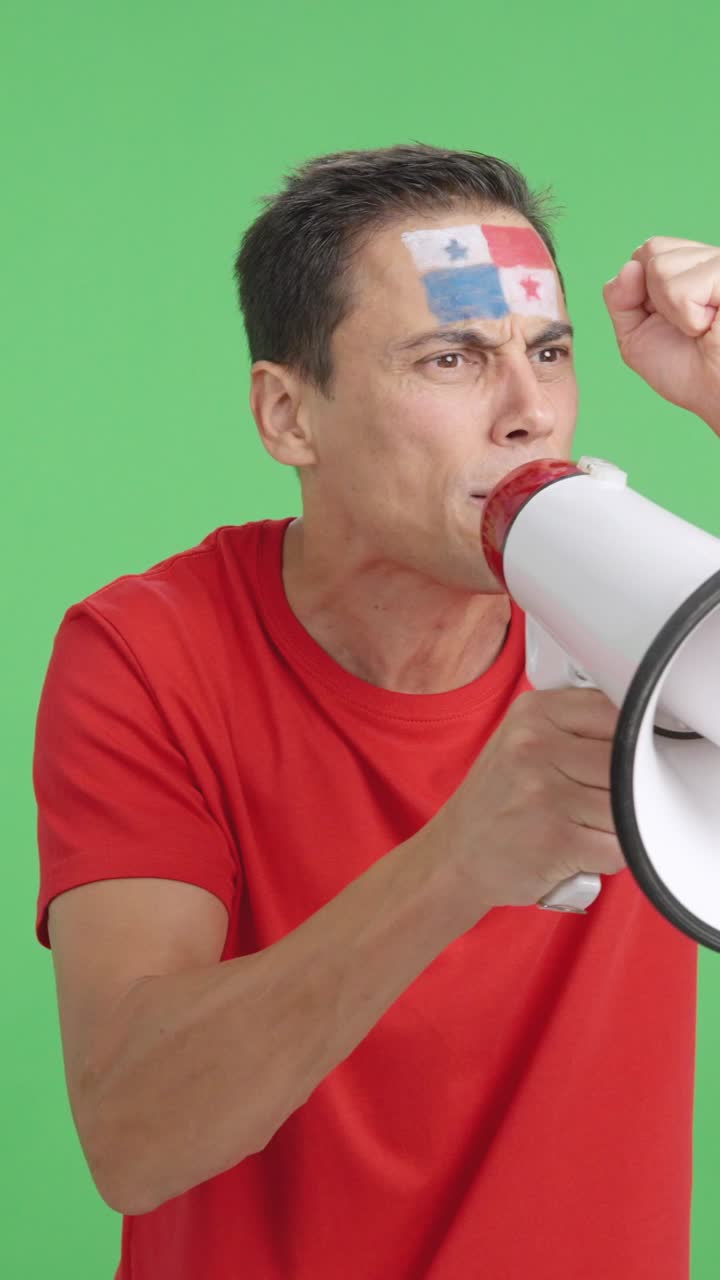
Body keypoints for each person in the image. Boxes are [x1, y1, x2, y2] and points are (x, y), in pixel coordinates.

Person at [33, 144, 698, 1279]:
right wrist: (457, 864)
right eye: (453, 357)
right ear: (289, 415)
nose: (531, 411)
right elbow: (132, 1137)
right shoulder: (147, 654)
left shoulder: (656, 608)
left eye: (549, 351)